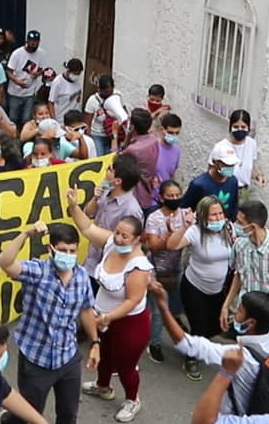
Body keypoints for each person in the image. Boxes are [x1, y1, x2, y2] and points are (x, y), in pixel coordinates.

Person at [157, 220, 269, 416]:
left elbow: (187, 344)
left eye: (239, 311)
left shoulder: (239, 357)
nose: (235, 313)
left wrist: (163, 307)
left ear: (251, 323)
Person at [0, 221, 99, 424]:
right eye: (63, 250)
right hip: (36, 359)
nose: (68, 255)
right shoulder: (38, 271)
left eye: (72, 250)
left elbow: (86, 310)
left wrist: (95, 342)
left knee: (69, 414)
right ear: (50, 249)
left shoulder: (81, 277)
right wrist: (26, 234)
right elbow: (5, 262)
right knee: (29, 414)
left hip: (68, 357)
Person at [68, 189, 153, 422]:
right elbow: (87, 228)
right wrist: (74, 206)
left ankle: (132, 400)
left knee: (126, 366)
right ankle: (102, 386)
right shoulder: (109, 245)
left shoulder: (139, 266)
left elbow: (132, 300)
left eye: (125, 236)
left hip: (129, 323)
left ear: (137, 240)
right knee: (103, 353)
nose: (118, 239)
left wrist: (108, 317)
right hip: (102, 317)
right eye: (117, 233)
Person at [167, 196, 233, 381]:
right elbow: (172, 245)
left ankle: (187, 336)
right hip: (195, 288)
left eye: (220, 213)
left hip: (218, 289)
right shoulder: (195, 232)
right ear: (203, 216)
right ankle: (191, 357)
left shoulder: (228, 229)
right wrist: (184, 226)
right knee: (199, 327)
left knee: (213, 327)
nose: (218, 218)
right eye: (213, 215)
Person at [143, 179, 189, 364]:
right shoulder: (154, 218)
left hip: (175, 268)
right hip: (155, 270)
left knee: (173, 307)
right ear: (161, 198)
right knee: (157, 311)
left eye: (177, 195)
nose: (175, 198)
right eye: (170, 196)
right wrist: (169, 237)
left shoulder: (185, 215)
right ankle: (154, 343)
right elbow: (153, 246)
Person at [82, 155, 144, 290]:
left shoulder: (131, 210)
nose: (106, 171)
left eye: (110, 169)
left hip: (108, 271)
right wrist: (95, 198)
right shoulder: (105, 192)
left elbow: (129, 245)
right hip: (91, 263)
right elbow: (88, 213)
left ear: (117, 181)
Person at [220, 200, 269, 334]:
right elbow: (238, 275)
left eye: (240, 223)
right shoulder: (240, 245)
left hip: (268, 319)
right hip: (244, 315)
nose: (235, 225)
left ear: (252, 227)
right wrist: (226, 305)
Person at [206, 110, 266, 202]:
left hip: (243, 191)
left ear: (248, 127)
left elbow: (249, 167)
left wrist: (258, 176)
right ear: (230, 127)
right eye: (236, 127)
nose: (240, 130)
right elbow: (210, 171)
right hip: (224, 190)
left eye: (243, 127)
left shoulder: (252, 144)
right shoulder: (220, 147)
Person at [180, 140, 240, 221]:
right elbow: (185, 210)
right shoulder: (199, 185)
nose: (229, 167)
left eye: (232, 165)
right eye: (226, 164)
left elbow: (234, 207)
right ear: (215, 162)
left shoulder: (233, 181)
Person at [120, 109, 160, 214]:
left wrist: (115, 136)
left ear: (132, 126)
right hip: (148, 191)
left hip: (136, 195)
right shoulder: (153, 140)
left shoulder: (133, 150)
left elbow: (117, 159)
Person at [5, 30, 46, 129]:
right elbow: (8, 71)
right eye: (31, 41)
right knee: (13, 118)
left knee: (26, 119)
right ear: (27, 41)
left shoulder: (41, 53)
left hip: (30, 92)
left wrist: (38, 73)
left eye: (35, 41)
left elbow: (41, 69)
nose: (33, 43)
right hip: (15, 92)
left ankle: (24, 138)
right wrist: (17, 81)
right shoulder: (17, 54)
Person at [82, 75, 120, 155]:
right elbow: (87, 123)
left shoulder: (117, 96)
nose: (109, 95)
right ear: (99, 89)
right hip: (97, 135)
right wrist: (89, 141)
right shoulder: (92, 101)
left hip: (112, 134)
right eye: (106, 92)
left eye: (111, 92)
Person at [151, 113, 182, 208]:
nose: (174, 136)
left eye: (177, 133)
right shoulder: (152, 147)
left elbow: (172, 174)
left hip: (167, 200)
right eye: (170, 132)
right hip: (151, 200)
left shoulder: (177, 150)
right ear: (162, 130)